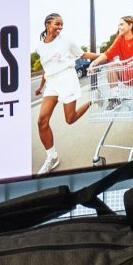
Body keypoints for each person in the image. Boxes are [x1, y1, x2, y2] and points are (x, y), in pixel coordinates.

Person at [35, 12, 92, 171]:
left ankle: (91, 102)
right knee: (42, 121)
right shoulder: (39, 47)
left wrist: (105, 55)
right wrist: (41, 86)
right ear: (48, 24)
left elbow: (83, 54)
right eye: (57, 24)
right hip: (52, 83)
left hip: (67, 79)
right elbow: (46, 68)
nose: (60, 27)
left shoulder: (67, 42)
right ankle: (52, 157)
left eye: (62, 24)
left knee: (70, 119)